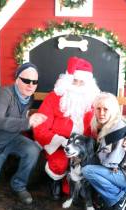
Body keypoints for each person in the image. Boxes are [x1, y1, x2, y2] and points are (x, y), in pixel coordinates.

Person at [0, 62, 47, 204]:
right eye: (26, 80)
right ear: (17, 79)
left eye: (34, 82)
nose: (30, 85)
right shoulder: (3, 94)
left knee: (33, 149)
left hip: (12, 139)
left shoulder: (28, 98)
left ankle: (18, 184)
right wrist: (27, 123)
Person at [33, 56, 101, 200]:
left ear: (88, 84)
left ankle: (81, 188)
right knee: (60, 163)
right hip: (59, 144)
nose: (76, 85)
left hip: (83, 147)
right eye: (73, 81)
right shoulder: (54, 97)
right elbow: (40, 125)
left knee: (88, 163)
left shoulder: (93, 100)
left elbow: (100, 125)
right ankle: (55, 181)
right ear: (66, 81)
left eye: (81, 82)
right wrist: (60, 141)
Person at [82, 92, 126, 210]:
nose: (101, 113)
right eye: (98, 109)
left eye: (105, 109)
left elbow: (109, 162)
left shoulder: (117, 129)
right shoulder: (105, 124)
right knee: (91, 164)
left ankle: (119, 197)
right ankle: (123, 190)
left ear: (113, 110)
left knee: (87, 170)